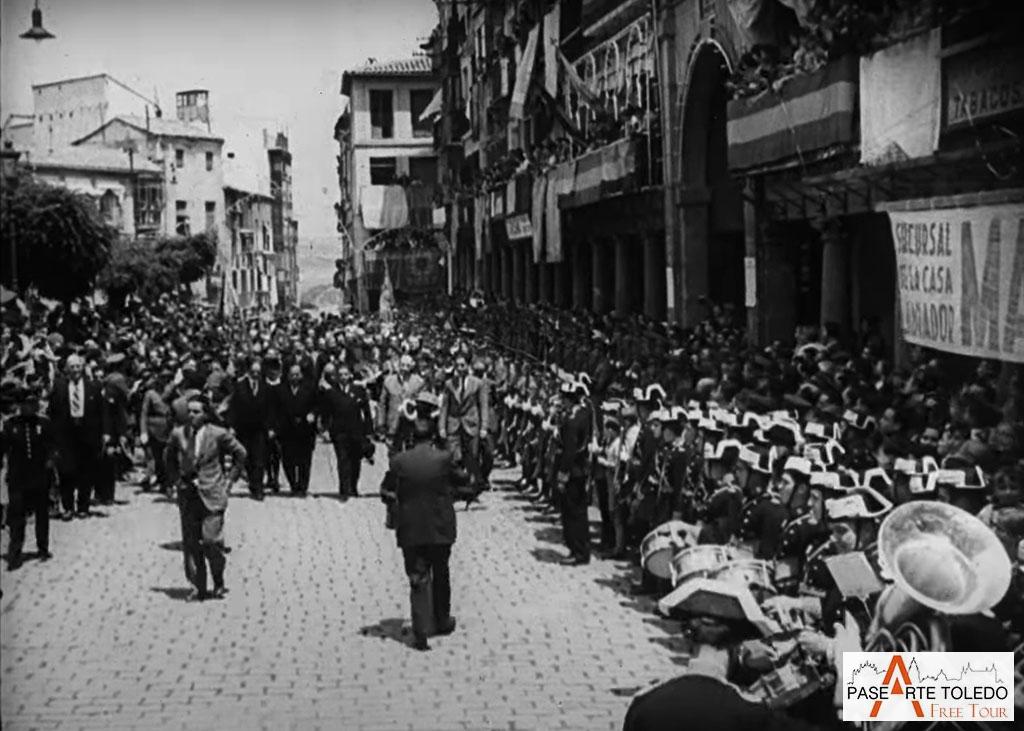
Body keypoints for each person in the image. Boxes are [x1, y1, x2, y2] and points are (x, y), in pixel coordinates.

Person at [380, 393, 467, 651]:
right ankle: (441, 619)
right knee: (441, 572)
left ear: (411, 437)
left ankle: (420, 630)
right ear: (432, 436)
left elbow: (386, 490)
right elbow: (463, 482)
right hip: (440, 527)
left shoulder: (399, 462)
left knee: (418, 577)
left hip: (411, 528)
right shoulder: (443, 459)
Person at [165, 393, 246, 601]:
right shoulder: (178, 434)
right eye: (189, 411)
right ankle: (196, 586)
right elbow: (168, 459)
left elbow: (240, 453)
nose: (191, 415)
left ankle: (218, 579)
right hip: (188, 495)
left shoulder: (217, 434)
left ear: (206, 414)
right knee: (191, 544)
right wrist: (175, 481)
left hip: (212, 493)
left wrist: (229, 481)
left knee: (211, 541)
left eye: (196, 411)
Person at [2, 387, 57, 570]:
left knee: (42, 513)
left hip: (39, 476)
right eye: (27, 404)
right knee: (17, 516)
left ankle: (43, 547)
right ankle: (15, 554)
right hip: (18, 477)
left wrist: (50, 459)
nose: (31, 407)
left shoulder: (44, 424)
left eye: (33, 403)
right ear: (20, 406)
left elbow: (52, 446)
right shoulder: (11, 425)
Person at [48, 354, 105, 519]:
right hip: (66, 433)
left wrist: (103, 434)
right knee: (66, 471)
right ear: (67, 369)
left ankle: (83, 506)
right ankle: (68, 507)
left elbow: (101, 413)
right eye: (72, 367)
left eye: (78, 367)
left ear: (82, 368)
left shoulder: (93, 386)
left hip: (87, 434)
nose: (75, 370)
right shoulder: (59, 386)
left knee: (86, 471)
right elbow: (53, 412)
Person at [320, 362, 373, 500]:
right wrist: (324, 428)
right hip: (339, 431)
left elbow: (366, 411)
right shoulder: (331, 392)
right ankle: (344, 488)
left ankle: (353, 486)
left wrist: (368, 431)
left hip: (356, 430)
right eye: (340, 375)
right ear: (336, 376)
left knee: (355, 460)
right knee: (342, 460)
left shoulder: (358, 390)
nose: (343, 377)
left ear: (350, 375)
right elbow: (326, 412)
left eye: (346, 374)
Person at [439, 353, 490, 490]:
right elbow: (445, 406)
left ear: (468, 366)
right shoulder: (449, 384)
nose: (460, 368)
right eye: (457, 365)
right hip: (453, 423)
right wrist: (442, 427)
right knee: (452, 456)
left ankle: (471, 485)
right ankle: (454, 485)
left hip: (471, 424)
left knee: (472, 456)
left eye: (462, 365)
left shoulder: (478, 384)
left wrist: (484, 427)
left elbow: (483, 405)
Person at [556, 380, 593, 566]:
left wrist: (562, 474)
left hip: (572, 470)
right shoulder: (585, 414)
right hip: (581, 469)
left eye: (564, 398)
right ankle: (582, 549)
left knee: (571, 513)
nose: (562, 401)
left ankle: (576, 550)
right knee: (580, 512)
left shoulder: (572, 421)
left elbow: (569, 450)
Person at [227, 357, 271, 501]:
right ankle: (252, 483)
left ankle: (258, 488)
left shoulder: (265, 386)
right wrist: (232, 426)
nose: (256, 374)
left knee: (259, 459)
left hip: (259, 429)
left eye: (258, 372)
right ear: (248, 372)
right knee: (246, 458)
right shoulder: (240, 387)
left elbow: (271, 408)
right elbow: (233, 407)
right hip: (243, 428)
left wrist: (271, 427)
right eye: (253, 372)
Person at [272, 363, 318, 496]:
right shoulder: (280, 390)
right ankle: (293, 484)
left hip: (305, 429)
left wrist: (313, 414)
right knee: (288, 460)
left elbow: (317, 405)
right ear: (287, 376)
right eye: (292, 374)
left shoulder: (309, 388)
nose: (295, 377)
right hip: (287, 430)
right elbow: (275, 409)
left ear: (301, 375)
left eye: (297, 374)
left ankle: (303, 487)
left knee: (305, 460)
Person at [378, 354, 424, 453]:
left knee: (411, 454)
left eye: (407, 366)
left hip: (411, 424)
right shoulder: (389, 381)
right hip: (393, 423)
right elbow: (382, 404)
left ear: (412, 366)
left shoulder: (419, 382)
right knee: (394, 455)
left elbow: (422, 404)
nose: (404, 368)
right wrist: (381, 423)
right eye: (402, 365)